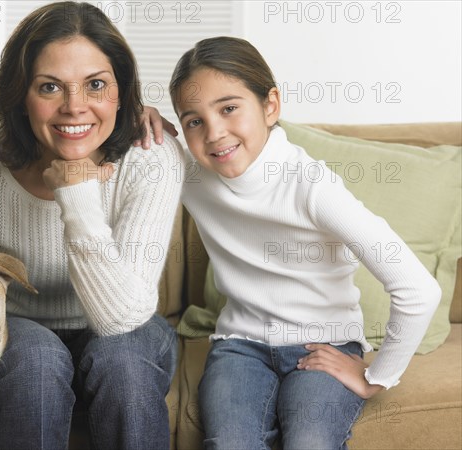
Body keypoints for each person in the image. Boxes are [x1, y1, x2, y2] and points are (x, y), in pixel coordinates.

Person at [0, 2, 183, 449]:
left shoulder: (151, 159)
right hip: (20, 328)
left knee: (123, 359)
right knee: (35, 357)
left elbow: (122, 318)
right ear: (21, 95)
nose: (75, 108)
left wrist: (75, 194)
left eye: (96, 85)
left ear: (121, 91)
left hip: (130, 330)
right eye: (50, 87)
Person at [169, 36, 441, 450]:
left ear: (270, 105)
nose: (214, 133)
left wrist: (376, 377)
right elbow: (122, 141)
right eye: (194, 120)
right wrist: (143, 117)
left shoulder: (312, 187)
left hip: (324, 343)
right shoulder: (190, 175)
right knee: (228, 444)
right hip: (240, 347)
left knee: (311, 442)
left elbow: (419, 289)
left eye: (228, 108)